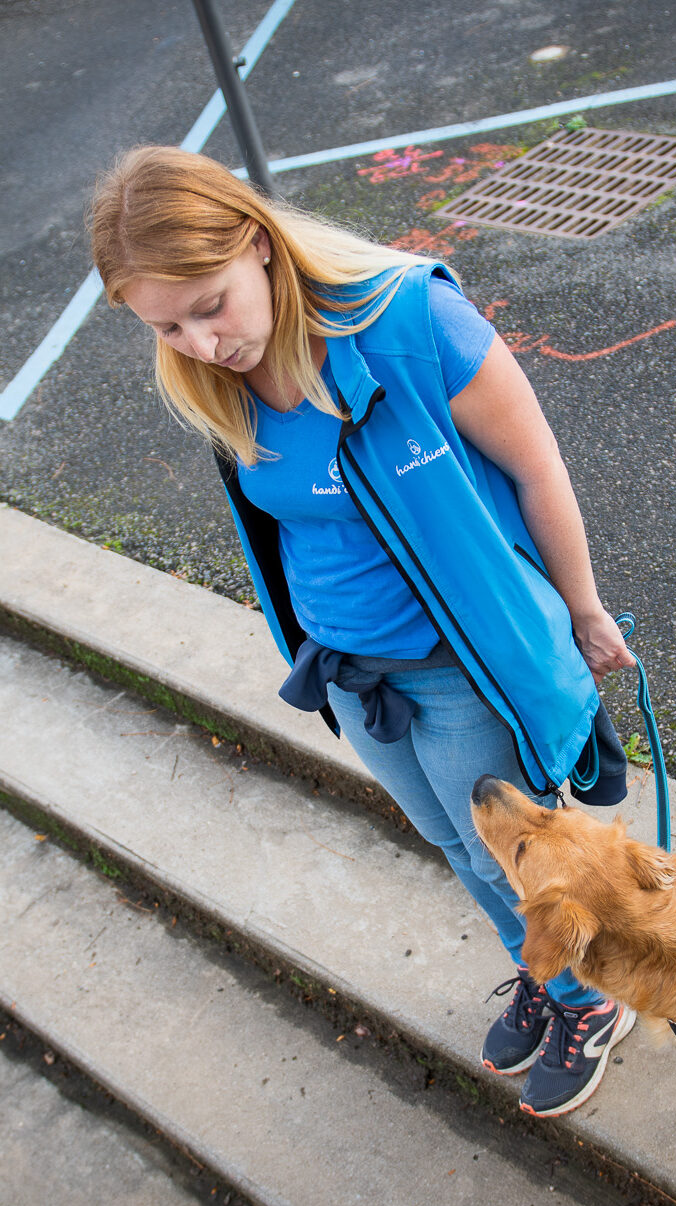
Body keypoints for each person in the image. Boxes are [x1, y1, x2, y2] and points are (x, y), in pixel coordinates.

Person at [88, 145, 637, 1117]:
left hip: (462, 665)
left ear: (256, 244)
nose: (202, 343)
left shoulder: (411, 321)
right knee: (456, 847)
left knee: (510, 853)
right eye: (166, 326)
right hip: (348, 672)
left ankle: (588, 997)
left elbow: (538, 469)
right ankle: (547, 975)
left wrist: (583, 611)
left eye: (209, 304)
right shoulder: (216, 383)